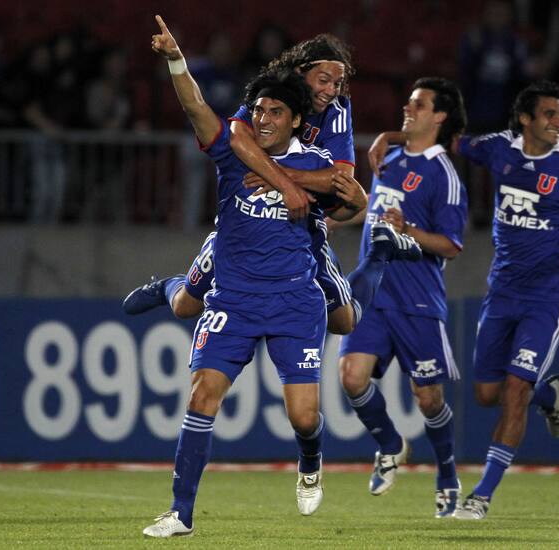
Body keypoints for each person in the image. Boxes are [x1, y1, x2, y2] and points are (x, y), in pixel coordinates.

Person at [141, 16, 414, 539]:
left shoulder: (319, 151)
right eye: (259, 111)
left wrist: (300, 187)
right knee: (202, 396)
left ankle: (310, 460)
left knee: (305, 415)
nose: (263, 119)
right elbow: (196, 106)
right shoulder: (233, 144)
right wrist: (176, 58)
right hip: (234, 297)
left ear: (295, 122)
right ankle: (180, 513)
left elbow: (354, 197)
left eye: (275, 113)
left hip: (294, 298)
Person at [124, 33, 421, 335]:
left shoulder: (337, 111)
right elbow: (234, 136)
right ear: (300, 72)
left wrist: (284, 181)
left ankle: (378, 253)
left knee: (344, 323)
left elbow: (341, 181)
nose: (331, 90)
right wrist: (176, 61)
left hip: (300, 234)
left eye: (337, 83)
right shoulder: (270, 96)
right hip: (241, 235)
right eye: (323, 80)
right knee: (185, 306)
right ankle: (167, 287)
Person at [447, 81, 559, 519]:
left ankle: (481, 495)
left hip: (548, 296)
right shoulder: (499, 149)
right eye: (549, 115)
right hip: (502, 292)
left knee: (515, 390)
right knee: (488, 394)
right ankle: (550, 394)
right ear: (525, 119)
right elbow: (452, 141)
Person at [337, 77, 468, 518]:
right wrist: (332, 221)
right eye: (409, 102)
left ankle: (447, 473)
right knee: (351, 377)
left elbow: (452, 245)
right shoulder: (389, 158)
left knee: (428, 399)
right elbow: (371, 211)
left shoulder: (444, 175)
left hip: (416, 300)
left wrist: (408, 230)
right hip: (374, 295)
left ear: (440, 116)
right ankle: (391, 445)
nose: (408, 109)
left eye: (419, 104)